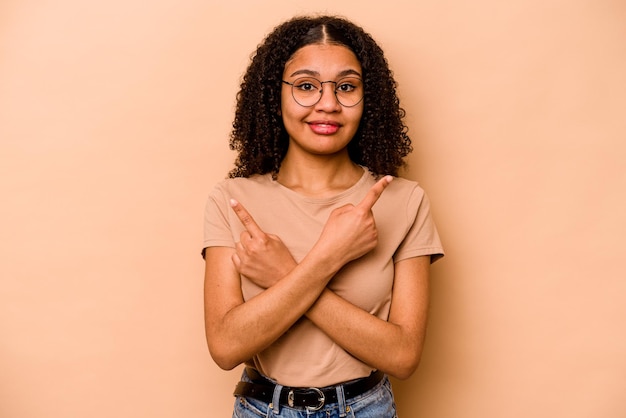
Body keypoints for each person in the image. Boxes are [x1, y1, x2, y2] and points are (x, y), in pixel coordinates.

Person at [202, 15, 444, 418]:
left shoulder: (405, 201)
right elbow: (226, 348)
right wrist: (327, 257)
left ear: (369, 99)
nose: (328, 103)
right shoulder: (232, 200)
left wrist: (284, 274)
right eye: (306, 86)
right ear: (273, 95)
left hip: (366, 409)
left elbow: (403, 357)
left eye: (346, 86)